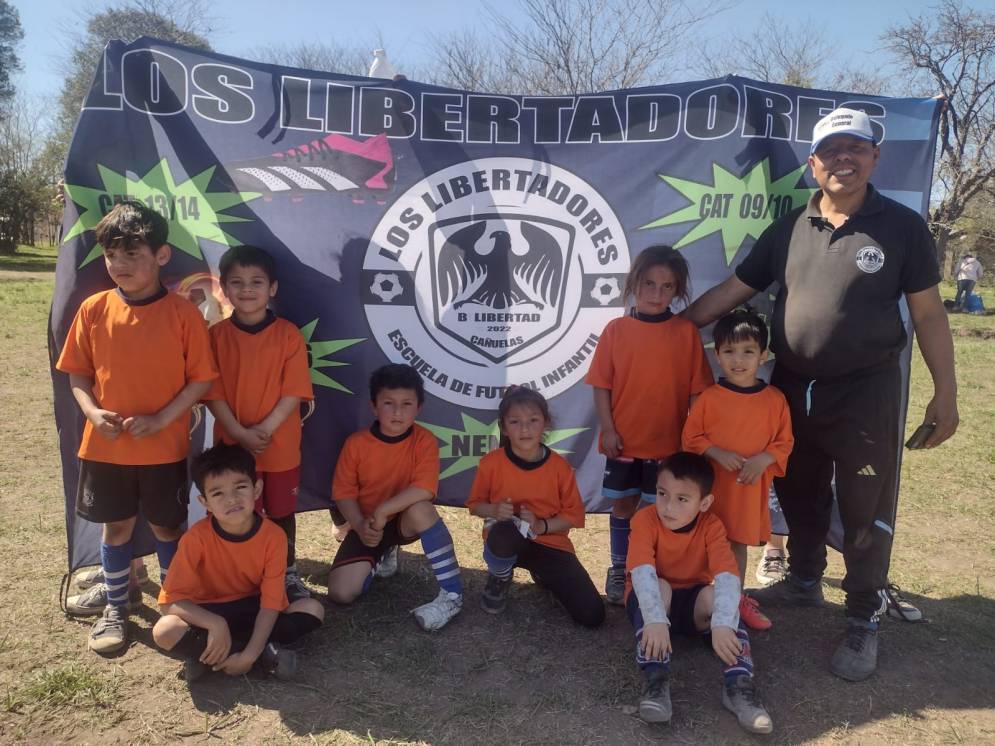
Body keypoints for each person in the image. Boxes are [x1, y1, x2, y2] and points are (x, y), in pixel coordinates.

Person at [685, 107, 958, 681]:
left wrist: (946, 394)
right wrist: (670, 327)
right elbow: (735, 288)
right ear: (814, 164)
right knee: (800, 490)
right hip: (793, 390)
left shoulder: (903, 227)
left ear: (874, 158)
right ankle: (804, 580)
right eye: (832, 150)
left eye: (855, 148)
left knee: (865, 506)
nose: (844, 158)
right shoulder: (788, 228)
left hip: (868, 391)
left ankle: (863, 617)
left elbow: (929, 315)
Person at [55, 200, 218, 654]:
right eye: (111, 255)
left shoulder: (184, 314)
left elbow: (201, 380)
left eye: (132, 254)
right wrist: (90, 411)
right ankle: (115, 604)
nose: (119, 265)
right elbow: (77, 375)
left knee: (168, 528)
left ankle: (174, 602)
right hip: (105, 450)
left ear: (161, 256)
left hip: (163, 449)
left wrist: (164, 418)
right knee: (117, 528)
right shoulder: (92, 308)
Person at [585, 245, 713, 605]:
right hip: (623, 445)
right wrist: (608, 429)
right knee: (623, 508)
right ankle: (619, 569)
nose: (656, 294)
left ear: (678, 290)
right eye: (649, 284)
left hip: (667, 449)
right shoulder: (615, 330)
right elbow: (601, 387)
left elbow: (697, 394)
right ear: (633, 284)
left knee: (656, 514)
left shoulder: (685, 333)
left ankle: (646, 572)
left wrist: (690, 439)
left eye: (667, 287)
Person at [626, 452, 772, 734]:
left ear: (704, 503)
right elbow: (642, 572)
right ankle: (655, 680)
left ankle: (738, 686)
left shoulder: (712, 526)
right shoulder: (644, 520)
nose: (668, 507)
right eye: (662, 493)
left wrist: (722, 623)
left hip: (692, 607)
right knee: (660, 586)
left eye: (682, 499)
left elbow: (728, 577)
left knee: (714, 596)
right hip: (653, 603)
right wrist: (655, 619)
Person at [152, 443, 324, 682]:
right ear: (205, 502)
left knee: (312, 609)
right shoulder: (195, 539)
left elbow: (271, 603)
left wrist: (248, 655)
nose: (231, 499)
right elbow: (169, 602)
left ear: (256, 489)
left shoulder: (274, 536)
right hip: (209, 609)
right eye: (218, 493)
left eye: (240, 487)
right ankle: (264, 653)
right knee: (165, 630)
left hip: (253, 607)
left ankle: (224, 655)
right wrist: (215, 623)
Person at [204, 245, 315, 602]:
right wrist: (238, 433)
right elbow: (213, 392)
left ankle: (287, 574)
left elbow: (294, 392)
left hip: (279, 447)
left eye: (256, 281)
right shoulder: (216, 337)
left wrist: (263, 430)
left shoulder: (288, 335)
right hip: (231, 449)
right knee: (235, 514)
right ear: (224, 289)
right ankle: (240, 577)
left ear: (273, 288)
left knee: (281, 513)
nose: (247, 289)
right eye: (237, 282)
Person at [327, 363, 464, 631]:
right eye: (389, 403)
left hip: (402, 521)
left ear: (419, 408)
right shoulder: (356, 443)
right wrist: (358, 525)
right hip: (368, 526)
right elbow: (343, 494)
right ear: (374, 407)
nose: (398, 412)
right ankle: (379, 556)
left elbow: (424, 489)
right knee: (341, 594)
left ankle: (452, 595)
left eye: (406, 404)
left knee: (422, 508)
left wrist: (383, 511)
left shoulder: (424, 441)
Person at [682, 309, 793, 629]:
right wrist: (715, 452)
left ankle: (734, 601)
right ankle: (699, 600)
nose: (738, 360)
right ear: (717, 355)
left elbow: (784, 442)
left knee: (736, 544)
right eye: (729, 351)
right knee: (703, 540)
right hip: (712, 489)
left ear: (764, 355)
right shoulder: (709, 398)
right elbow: (690, 437)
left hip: (746, 488)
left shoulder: (774, 400)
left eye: (748, 351)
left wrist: (764, 459)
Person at [467, 387, 605, 628]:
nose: (525, 428)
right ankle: (500, 576)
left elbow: (573, 516)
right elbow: (475, 505)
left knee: (592, 616)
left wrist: (541, 525)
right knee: (503, 533)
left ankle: (543, 574)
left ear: (546, 423)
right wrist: (494, 510)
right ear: (504, 427)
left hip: (549, 543)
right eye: (515, 422)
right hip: (507, 539)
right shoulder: (491, 463)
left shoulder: (560, 468)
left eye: (533, 420)